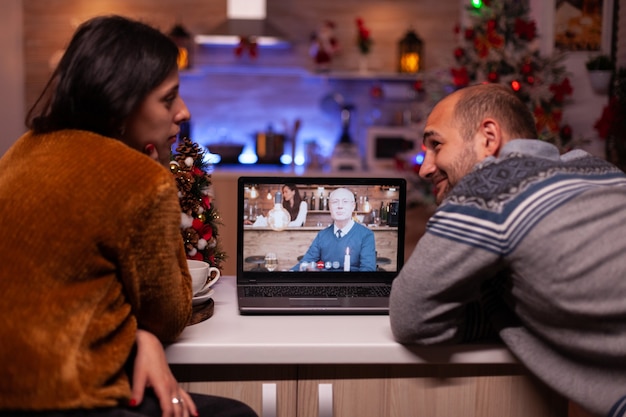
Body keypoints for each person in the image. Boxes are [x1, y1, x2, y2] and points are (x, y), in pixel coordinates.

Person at [0, 15, 257, 417]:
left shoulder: (22, 150)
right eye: (169, 98)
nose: (183, 111)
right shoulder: (139, 179)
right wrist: (159, 179)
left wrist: (139, 337)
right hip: (71, 400)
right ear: (120, 100)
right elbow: (170, 316)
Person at [389, 83, 626, 417]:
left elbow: (411, 315)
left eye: (436, 145)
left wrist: (504, 307)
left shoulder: (493, 183)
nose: (424, 168)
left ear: (488, 137)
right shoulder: (601, 170)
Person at [294, 188, 376, 271]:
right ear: (329, 207)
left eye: (345, 202)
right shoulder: (322, 235)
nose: (340, 206)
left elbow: (368, 271)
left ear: (353, 206)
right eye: (335, 202)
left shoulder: (366, 235)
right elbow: (306, 261)